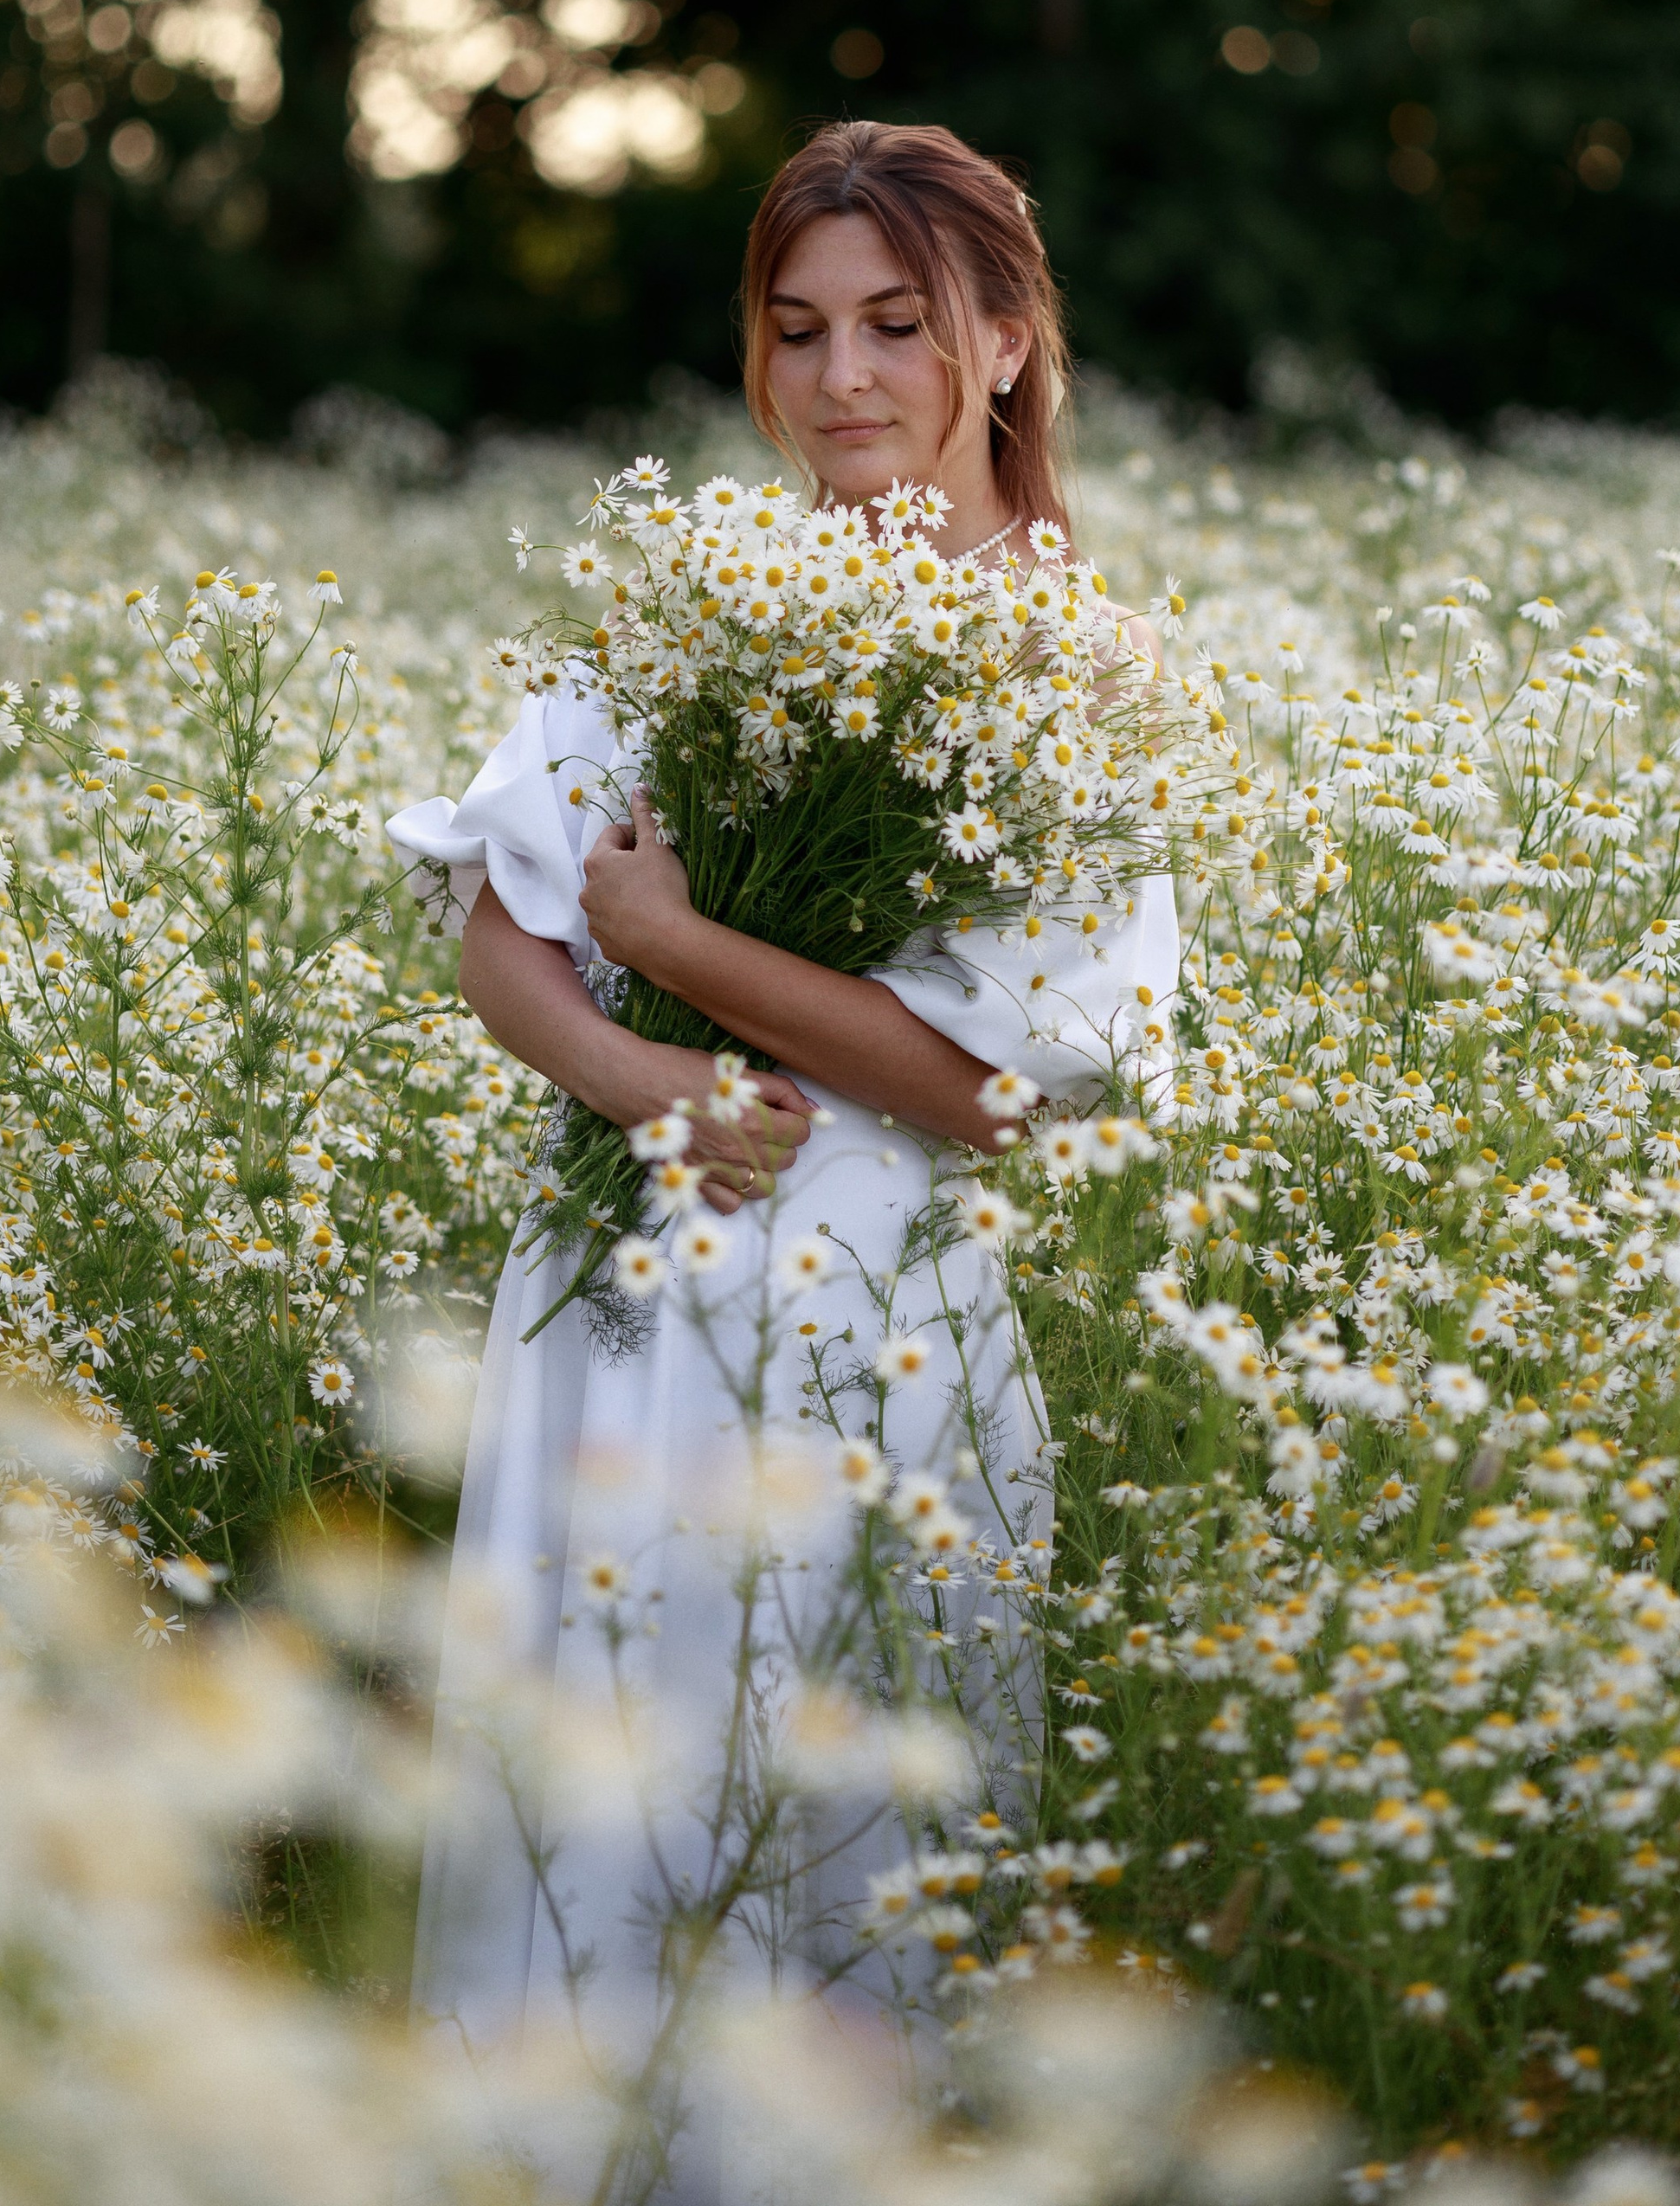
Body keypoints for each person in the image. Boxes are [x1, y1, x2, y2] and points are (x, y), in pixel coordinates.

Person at [387, 121, 1179, 2197]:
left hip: (861, 1316)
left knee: (828, 1814)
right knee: (594, 1818)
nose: (840, 379)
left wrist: (676, 950)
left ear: (1003, 339)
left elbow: (995, 1087)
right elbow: (503, 919)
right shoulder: (716, 586)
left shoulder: (1080, 662)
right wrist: (645, 1083)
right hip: (621, 1290)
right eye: (797, 326)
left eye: (895, 326)